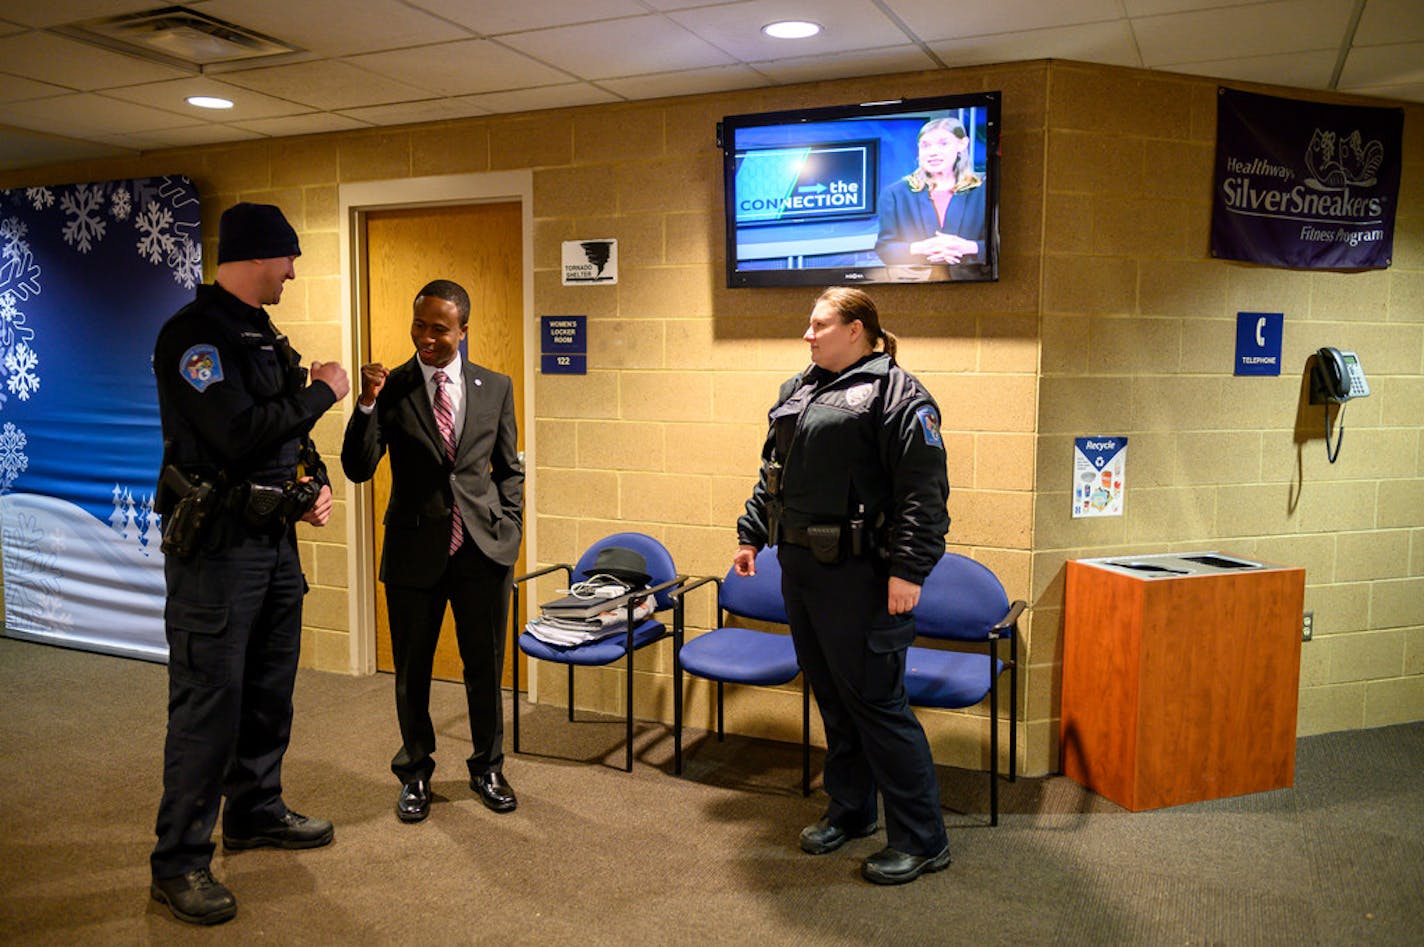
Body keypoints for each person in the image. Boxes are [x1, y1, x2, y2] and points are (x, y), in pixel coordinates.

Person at [149, 202, 351, 925]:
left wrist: (314, 482)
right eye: (288, 258)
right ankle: (178, 862)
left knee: (268, 691)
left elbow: (282, 436)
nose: (294, 271)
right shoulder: (192, 338)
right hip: (217, 554)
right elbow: (236, 432)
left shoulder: (260, 331)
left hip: (272, 546)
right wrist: (323, 391)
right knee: (209, 705)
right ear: (258, 254)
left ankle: (256, 809)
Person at [733, 286, 951, 886]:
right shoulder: (799, 389)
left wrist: (909, 570)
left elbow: (923, 496)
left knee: (879, 706)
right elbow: (772, 476)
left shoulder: (899, 396)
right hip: (802, 572)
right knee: (834, 699)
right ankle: (852, 811)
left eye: (819, 324)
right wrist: (751, 534)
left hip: (864, 576)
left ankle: (923, 839)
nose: (808, 334)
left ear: (856, 330)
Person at [341, 279, 524, 825]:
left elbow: (508, 468)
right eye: (418, 325)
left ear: (462, 331)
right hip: (413, 549)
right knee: (412, 670)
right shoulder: (391, 387)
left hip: (481, 550)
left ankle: (487, 767)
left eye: (439, 329)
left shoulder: (494, 386)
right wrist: (367, 405)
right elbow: (356, 466)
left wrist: (508, 525)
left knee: (485, 666)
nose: (426, 337)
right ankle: (415, 772)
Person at [874, 116, 987, 268]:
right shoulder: (895, 194)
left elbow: (1004, 246)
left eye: (943, 144)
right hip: (919, 285)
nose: (933, 152)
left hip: (976, 284)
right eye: (925, 145)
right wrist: (920, 248)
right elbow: (885, 249)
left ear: (962, 144)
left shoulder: (984, 189)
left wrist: (969, 247)